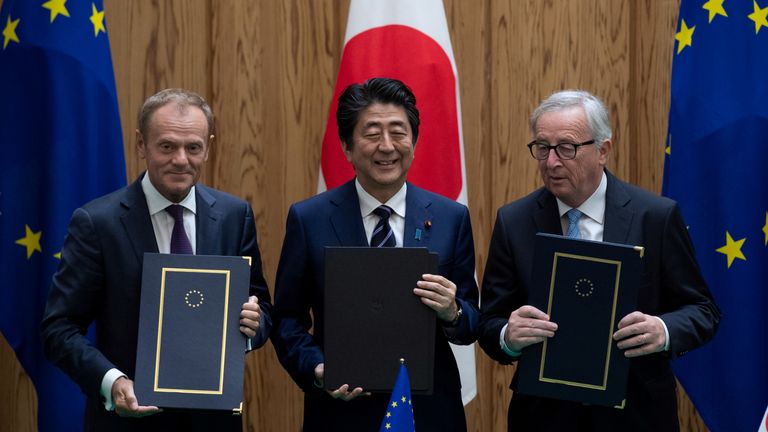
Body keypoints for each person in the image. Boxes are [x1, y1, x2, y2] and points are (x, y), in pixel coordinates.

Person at [478, 90, 719, 432]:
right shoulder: (513, 221)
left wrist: (662, 330)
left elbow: (703, 310)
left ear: (603, 150)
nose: (551, 162)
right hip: (544, 417)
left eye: (566, 148)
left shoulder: (655, 217)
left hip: (636, 414)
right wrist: (507, 335)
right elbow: (490, 322)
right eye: (542, 148)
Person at [41, 88, 272, 431]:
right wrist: (113, 382)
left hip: (212, 422)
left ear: (207, 146)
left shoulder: (233, 215)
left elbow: (262, 310)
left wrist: (252, 327)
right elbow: (59, 329)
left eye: (193, 147)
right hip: (128, 420)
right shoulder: (97, 223)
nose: (181, 159)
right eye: (167, 146)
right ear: (141, 144)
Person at [271, 77, 479, 431]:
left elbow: (472, 322)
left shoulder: (450, 217)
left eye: (398, 132)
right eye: (371, 133)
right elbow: (287, 320)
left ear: (413, 140)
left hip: (429, 412)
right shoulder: (309, 219)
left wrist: (453, 311)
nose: (387, 146)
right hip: (341, 412)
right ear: (347, 146)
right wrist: (319, 369)